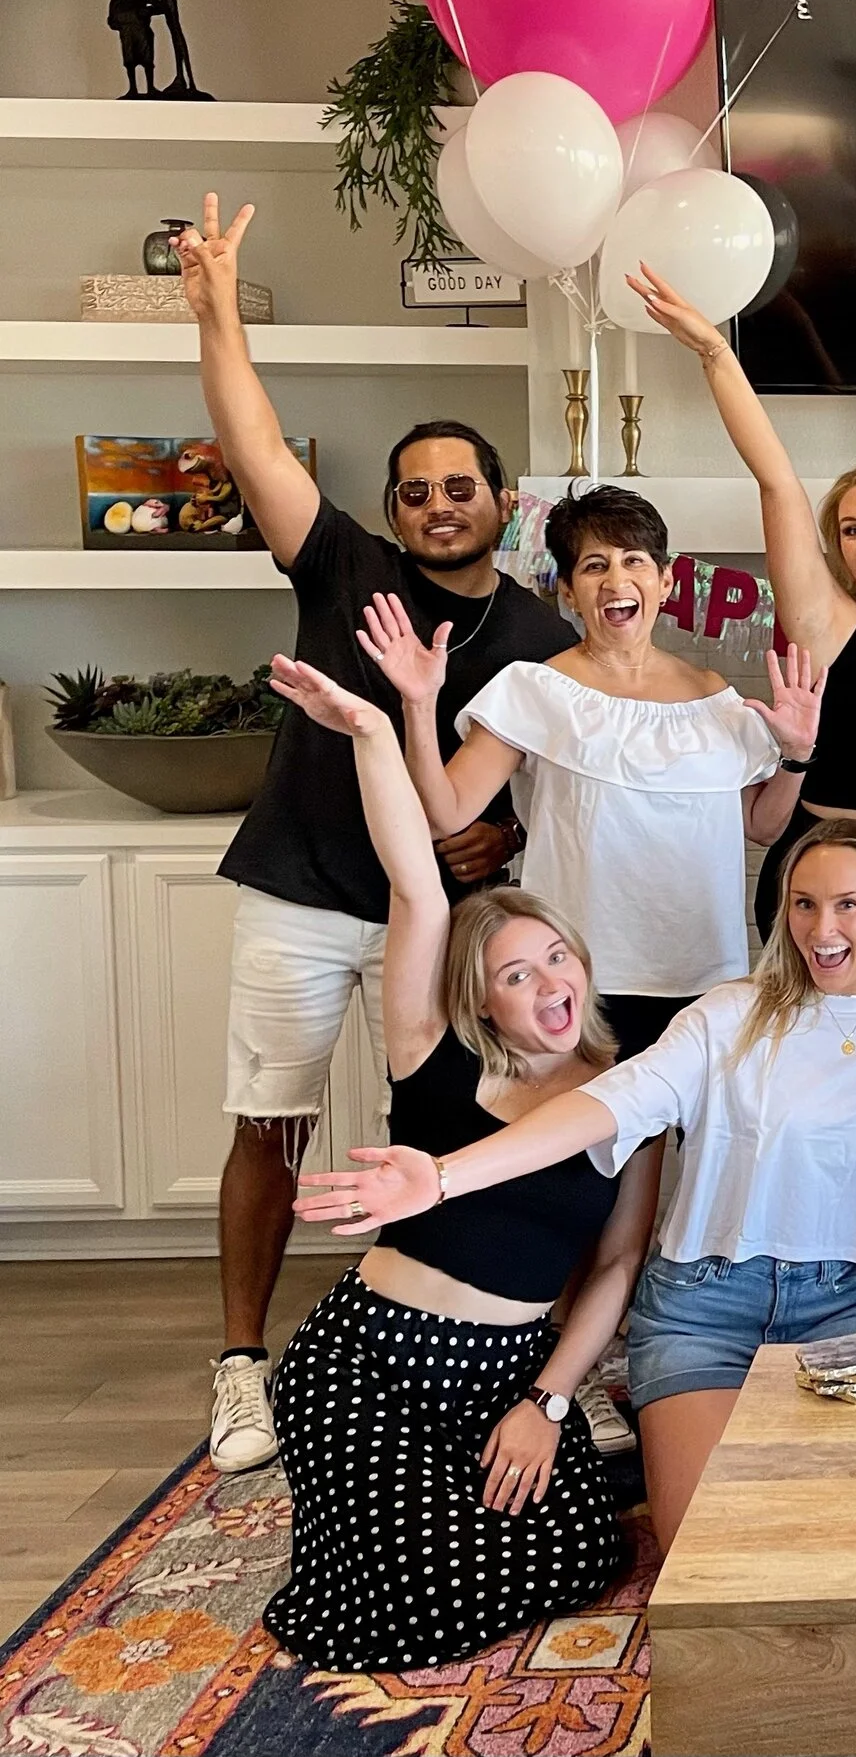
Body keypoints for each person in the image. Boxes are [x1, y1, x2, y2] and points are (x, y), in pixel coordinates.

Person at [299, 817, 856, 1552]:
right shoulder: (730, 1013)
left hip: (837, 1305)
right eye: (803, 903)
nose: (822, 927)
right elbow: (606, 1103)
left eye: (846, 904)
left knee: (854, 1535)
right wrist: (445, 1175)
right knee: (705, 1548)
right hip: (701, 1307)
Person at [178, 192, 575, 1476]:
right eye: (417, 494)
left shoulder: (545, 635)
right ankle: (243, 1364)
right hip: (301, 889)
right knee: (270, 1118)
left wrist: (494, 842)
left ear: (503, 504)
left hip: (443, 922)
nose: (437, 507)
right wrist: (215, 309)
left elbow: (550, 785)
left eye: (462, 489)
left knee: (465, 1132)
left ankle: (478, 1341)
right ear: (394, 512)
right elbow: (252, 449)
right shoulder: (341, 564)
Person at [257, 655, 656, 1672]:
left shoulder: (630, 1096)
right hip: (371, 1361)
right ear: (482, 1003)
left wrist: (549, 1401)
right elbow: (413, 879)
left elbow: (613, 1271)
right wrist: (374, 732)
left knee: (578, 1560)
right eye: (516, 975)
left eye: (557, 958)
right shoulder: (431, 1055)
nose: (548, 984)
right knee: (414, 1612)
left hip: (503, 1373)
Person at [361, 484, 821, 1059]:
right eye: (594, 566)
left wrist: (798, 754)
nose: (616, 580)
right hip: (578, 975)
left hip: (704, 972)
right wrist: (418, 706)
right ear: (571, 593)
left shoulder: (716, 698)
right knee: (598, 1143)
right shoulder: (534, 690)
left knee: (685, 1142)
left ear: (666, 582)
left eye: (634, 562)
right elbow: (442, 813)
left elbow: (764, 824)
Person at [630, 264, 856, 979]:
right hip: (831, 887)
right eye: (851, 530)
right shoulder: (831, 624)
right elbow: (777, 480)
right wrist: (715, 352)